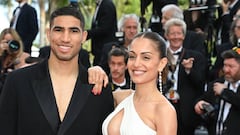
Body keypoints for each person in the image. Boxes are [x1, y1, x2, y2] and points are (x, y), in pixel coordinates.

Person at [0, 6, 114, 135]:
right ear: (49, 34)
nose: (65, 38)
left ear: (84, 36)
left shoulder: (98, 86)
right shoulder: (18, 81)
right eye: (59, 30)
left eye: (74, 31)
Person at [102, 31, 177, 135]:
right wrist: (95, 71)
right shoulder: (121, 97)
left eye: (146, 57)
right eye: (132, 56)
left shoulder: (164, 110)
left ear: (161, 63)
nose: (136, 64)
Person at [163, 18, 207, 135]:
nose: (176, 37)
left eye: (179, 33)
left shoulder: (195, 57)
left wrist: (189, 70)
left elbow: (201, 83)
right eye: (172, 33)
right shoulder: (160, 57)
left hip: (185, 111)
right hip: (163, 107)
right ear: (166, 36)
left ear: (184, 36)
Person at [194, 48, 240, 135]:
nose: (226, 70)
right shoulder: (216, 84)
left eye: (231, 66)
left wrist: (224, 92)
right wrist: (199, 103)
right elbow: (203, 98)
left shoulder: (221, 89)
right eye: (225, 65)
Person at [87, 0, 118, 66]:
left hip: (104, 52)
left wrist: (86, 34)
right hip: (99, 52)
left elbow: (104, 29)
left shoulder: (107, 5)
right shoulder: (100, 5)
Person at [0, 28, 30, 93]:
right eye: (7, 42)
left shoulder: (24, 57)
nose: (10, 45)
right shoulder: (2, 57)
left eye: (12, 41)